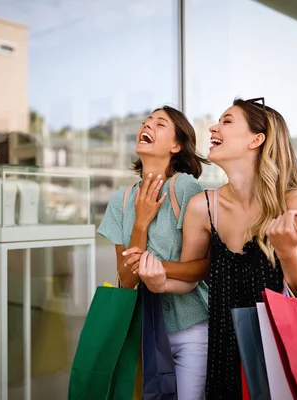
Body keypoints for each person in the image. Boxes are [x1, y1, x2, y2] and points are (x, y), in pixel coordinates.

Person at [126, 98, 297, 399]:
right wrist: (160, 282)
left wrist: (287, 254)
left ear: (256, 140)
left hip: (281, 356)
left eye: (227, 121)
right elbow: (190, 280)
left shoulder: (296, 205)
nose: (213, 127)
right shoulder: (203, 206)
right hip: (223, 357)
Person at [97, 105, 210, 399]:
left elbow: (202, 267)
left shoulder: (186, 188)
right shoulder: (120, 201)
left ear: (176, 145)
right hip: (143, 332)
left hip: (192, 330)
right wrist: (141, 221)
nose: (147, 126)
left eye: (160, 124)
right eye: (146, 122)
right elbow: (127, 279)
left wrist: (157, 267)